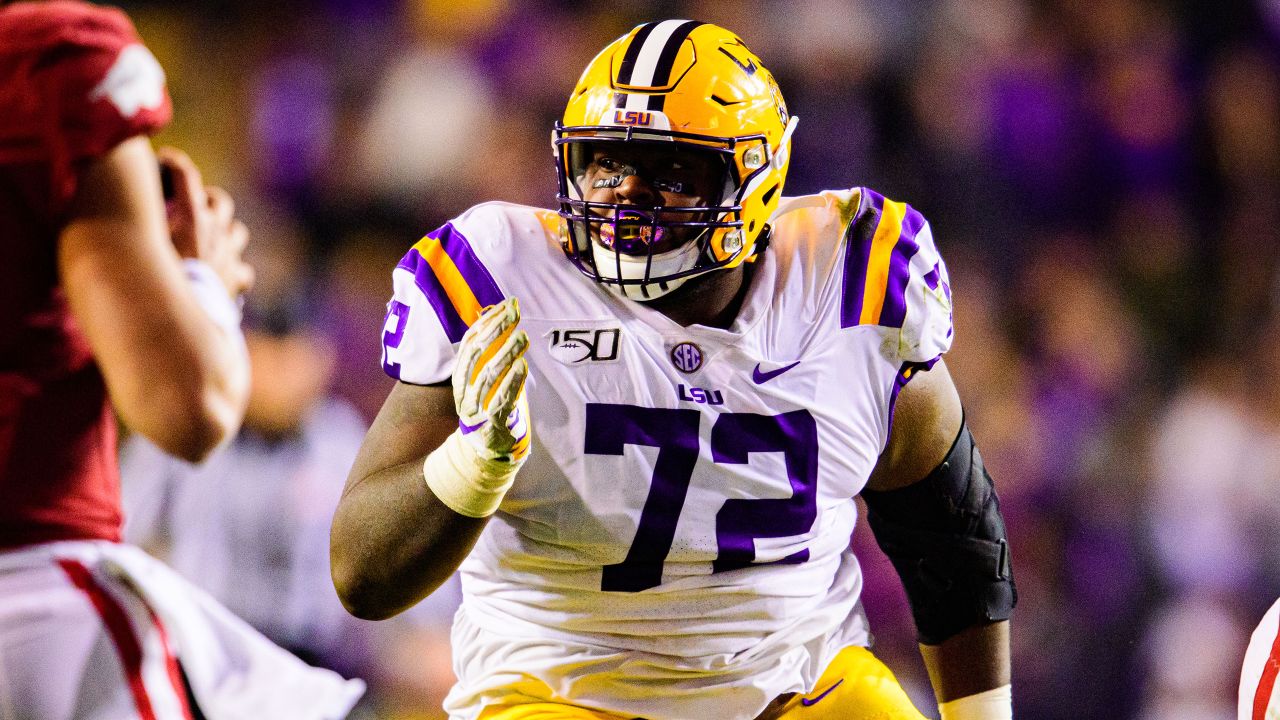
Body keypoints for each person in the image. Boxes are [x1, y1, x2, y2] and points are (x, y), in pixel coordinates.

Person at [331, 20, 1015, 720]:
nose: (628, 194)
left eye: (673, 171)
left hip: (796, 685)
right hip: (562, 693)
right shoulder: (501, 282)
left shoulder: (849, 284)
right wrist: (471, 465)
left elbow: (951, 540)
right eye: (606, 163)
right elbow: (361, 575)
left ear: (756, 183)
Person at [0, 2, 362, 718]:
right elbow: (188, 409)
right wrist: (203, 285)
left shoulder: (334, 440)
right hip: (31, 593)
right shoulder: (46, 60)